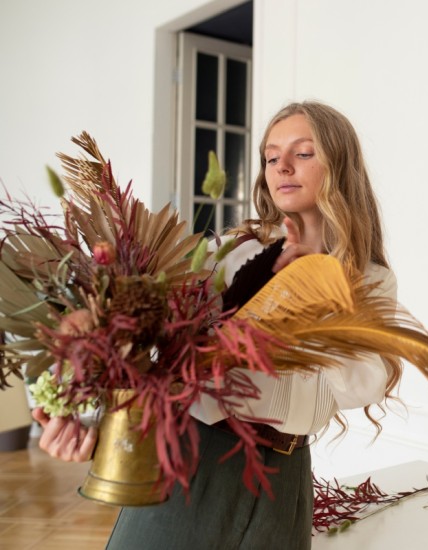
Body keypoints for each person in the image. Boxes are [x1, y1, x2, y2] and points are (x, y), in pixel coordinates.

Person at [32, 100, 400, 549]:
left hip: (285, 478)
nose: (282, 166)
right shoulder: (232, 250)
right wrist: (85, 415)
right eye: (270, 156)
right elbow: (156, 353)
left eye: (303, 153)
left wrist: (324, 296)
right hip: (195, 459)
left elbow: (363, 387)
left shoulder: (370, 278)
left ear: (339, 165)